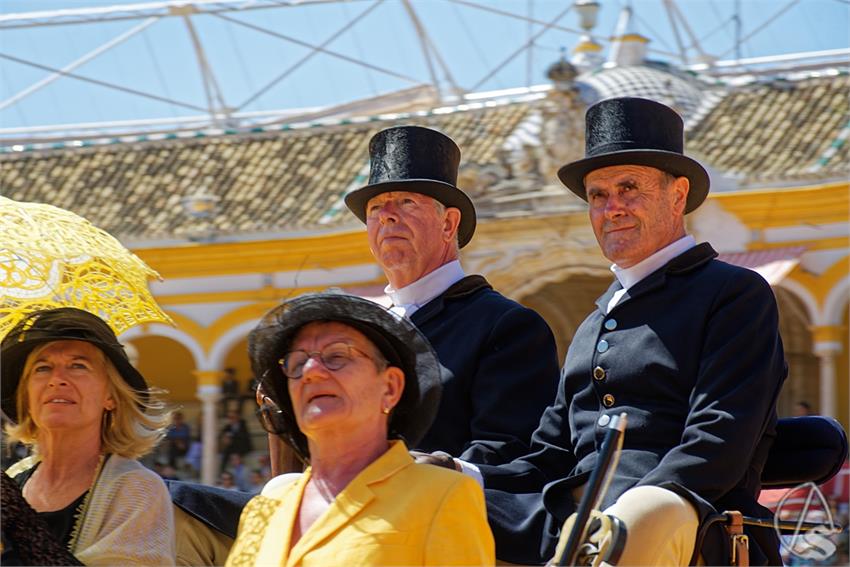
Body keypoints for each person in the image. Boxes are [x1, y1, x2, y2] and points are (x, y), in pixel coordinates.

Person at [446, 97, 787, 565]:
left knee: (637, 517)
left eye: (629, 188)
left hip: (683, 516)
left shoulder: (733, 294)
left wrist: (624, 511)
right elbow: (548, 455)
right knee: (436, 506)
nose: (613, 208)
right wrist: (456, 474)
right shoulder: (594, 321)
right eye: (598, 195)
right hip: (576, 515)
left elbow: (718, 440)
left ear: (678, 195)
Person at [225, 291, 495, 566]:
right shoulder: (265, 506)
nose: (311, 371)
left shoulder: (443, 496)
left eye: (337, 355)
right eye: (297, 362)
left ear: (390, 387)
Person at [344, 125, 560, 464]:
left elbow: (510, 455)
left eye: (406, 202)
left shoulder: (505, 327)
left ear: (448, 224)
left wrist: (432, 471)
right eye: (375, 208)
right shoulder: (361, 332)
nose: (387, 215)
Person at [1, 307, 176, 565]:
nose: (57, 379)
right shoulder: (14, 480)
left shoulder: (137, 489)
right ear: (26, 396)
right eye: (42, 368)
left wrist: (18, 518)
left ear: (111, 396)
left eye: (78, 366)